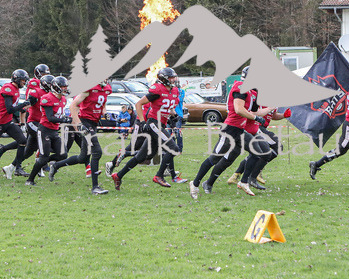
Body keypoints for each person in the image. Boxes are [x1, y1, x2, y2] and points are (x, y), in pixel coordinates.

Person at [189, 66, 273, 198]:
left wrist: (270, 108)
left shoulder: (251, 91)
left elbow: (254, 112)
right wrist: (256, 118)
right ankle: (195, 183)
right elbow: (239, 109)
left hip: (240, 130)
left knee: (257, 152)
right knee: (214, 159)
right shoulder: (240, 87)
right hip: (230, 130)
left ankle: (244, 181)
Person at [110, 67, 181, 191]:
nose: (173, 79)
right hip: (153, 123)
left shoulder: (174, 91)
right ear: (164, 79)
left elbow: (168, 107)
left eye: (173, 77)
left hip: (161, 124)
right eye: (171, 77)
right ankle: (159, 176)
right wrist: (142, 122)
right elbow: (138, 104)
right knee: (173, 148)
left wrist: (173, 116)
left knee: (143, 156)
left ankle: (118, 175)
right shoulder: (157, 89)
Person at [46, 79, 111, 194]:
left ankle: (56, 166)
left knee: (82, 158)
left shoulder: (106, 89)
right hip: (85, 122)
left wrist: (104, 113)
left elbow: (103, 102)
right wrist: (79, 125)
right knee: (97, 152)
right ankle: (95, 187)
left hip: (94, 123)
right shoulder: (89, 87)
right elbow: (73, 106)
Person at [25, 75, 70, 186]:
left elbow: (59, 115)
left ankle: (45, 162)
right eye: (63, 86)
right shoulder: (47, 98)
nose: (65, 89)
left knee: (63, 154)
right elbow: (50, 117)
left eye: (65, 86)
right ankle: (30, 180)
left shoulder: (63, 99)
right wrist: (63, 119)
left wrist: (66, 119)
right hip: (44, 130)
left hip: (54, 131)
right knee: (43, 158)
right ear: (56, 87)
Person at [9, 64, 51, 175]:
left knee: (28, 149)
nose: (44, 76)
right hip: (33, 117)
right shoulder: (34, 84)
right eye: (43, 74)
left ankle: (13, 166)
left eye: (46, 74)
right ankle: (41, 165)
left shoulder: (45, 85)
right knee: (42, 140)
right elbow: (31, 101)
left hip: (41, 118)